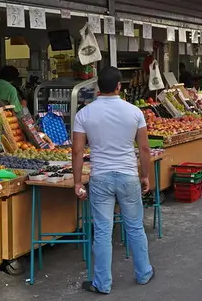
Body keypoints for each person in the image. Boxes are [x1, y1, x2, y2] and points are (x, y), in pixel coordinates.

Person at [72, 67, 154, 295]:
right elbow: (145, 148)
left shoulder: (84, 114)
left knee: (102, 231)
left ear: (98, 87)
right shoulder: (134, 112)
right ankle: (144, 272)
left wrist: (78, 182)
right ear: (120, 86)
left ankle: (102, 283)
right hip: (128, 175)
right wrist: (145, 175)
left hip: (100, 178)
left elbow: (77, 151)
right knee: (135, 226)